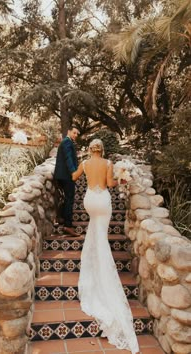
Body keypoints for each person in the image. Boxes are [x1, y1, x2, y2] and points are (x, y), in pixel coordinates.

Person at [72, 139, 139, 354]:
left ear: (90, 149)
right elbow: (110, 184)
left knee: (95, 232)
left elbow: (73, 177)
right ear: (102, 149)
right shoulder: (108, 163)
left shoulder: (84, 163)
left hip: (90, 200)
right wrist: (122, 179)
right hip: (103, 202)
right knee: (101, 235)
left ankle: (93, 265)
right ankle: (102, 268)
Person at [53, 125, 79, 237]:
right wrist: (74, 172)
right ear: (68, 131)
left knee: (66, 198)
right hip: (66, 176)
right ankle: (68, 226)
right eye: (74, 132)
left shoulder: (65, 142)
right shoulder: (67, 142)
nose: (76, 135)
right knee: (69, 199)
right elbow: (68, 158)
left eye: (77, 134)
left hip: (62, 175)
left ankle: (62, 219)